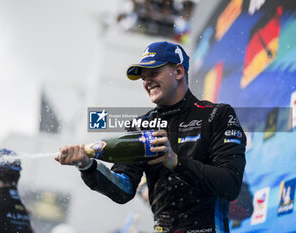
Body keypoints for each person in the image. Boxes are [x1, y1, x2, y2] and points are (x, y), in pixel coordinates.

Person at [55, 41, 246, 233]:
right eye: (143, 78)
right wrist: (88, 167)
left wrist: (176, 162)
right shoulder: (141, 126)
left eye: (154, 73)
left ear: (179, 72)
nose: (147, 82)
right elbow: (124, 190)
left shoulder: (217, 115)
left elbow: (230, 184)